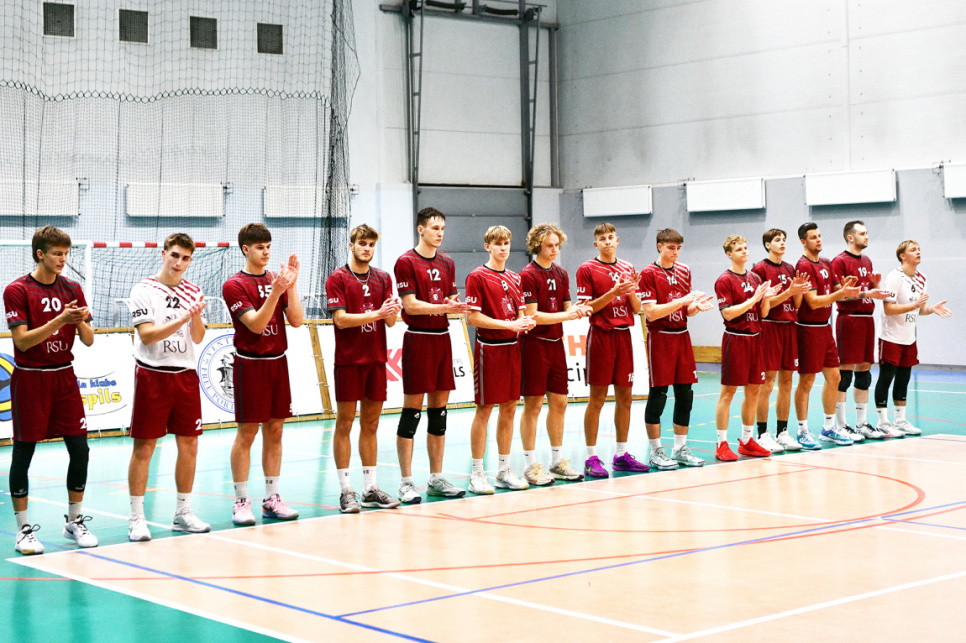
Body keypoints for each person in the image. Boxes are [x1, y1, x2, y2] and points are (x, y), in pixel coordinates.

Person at [4, 226, 96, 554]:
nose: (63, 259)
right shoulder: (17, 290)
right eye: (57, 253)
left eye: (66, 253)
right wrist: (60, 320)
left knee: (80, 449)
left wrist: (79, 320)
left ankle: (74, 521)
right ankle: (23, 531)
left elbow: (88, 340)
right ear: (40, 254)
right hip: (31, 379)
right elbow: (22, 342)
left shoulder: (72, 288)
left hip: (64, 377)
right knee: (23, 452)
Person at [126, 233, 211, 542]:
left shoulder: (194, 291)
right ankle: (137, 518)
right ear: (163, 254)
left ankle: (183, 512)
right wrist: (184, 317)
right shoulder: (144, 289)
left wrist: (195, 317)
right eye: (175, 255)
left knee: (190, 445)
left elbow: (198, 337)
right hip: (152, 374)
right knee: (145, 447)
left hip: (185, 374)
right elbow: (147, 335)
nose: (179, 262)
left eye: (185, 258)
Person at [222, 223, 304, 525]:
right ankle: (241, 501)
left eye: (268, 246)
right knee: (247, 433)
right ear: (246, 249)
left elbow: (296, 320)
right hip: (251, 363)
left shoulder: (275, 279)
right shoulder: (234, 285)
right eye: (260, 247)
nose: (266, 252)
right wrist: (277, 291)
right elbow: (256, 325)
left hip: (277, 361)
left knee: (276, 431)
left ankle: (272, 498)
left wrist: (291, 286)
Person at [394, 207, 470, 503]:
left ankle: (436, 478)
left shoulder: (447, 262)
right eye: (435, 228)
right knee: (411, 412)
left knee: (439, 413)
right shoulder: (406, 261)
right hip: (419, 339)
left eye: (442, 229)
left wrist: (456, 304)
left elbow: (449, 298)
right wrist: (444, 307)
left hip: (442, 338)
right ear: (421, 229)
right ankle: (405, 482)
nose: (440, 233)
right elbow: (411, 305)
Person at [326, 225, 403, 513]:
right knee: (345, 423)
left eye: (371, 244)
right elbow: (341, 320)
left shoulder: (383, 277)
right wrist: (378, 313)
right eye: (362, 243)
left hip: (376, 360)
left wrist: (392, 312)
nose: (367, 248)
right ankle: (346, 490)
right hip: (349, 361)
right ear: (351, 245)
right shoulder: (338, 278)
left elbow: (390, 322)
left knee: (371, 424)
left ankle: (370, 488)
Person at [465, 226, 536, 494]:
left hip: (512, 349)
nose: (503, 248)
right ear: (488, 246)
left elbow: (520, 313)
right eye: (497, 243)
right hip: (489, 349)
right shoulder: (477, 276)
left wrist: (525, 322)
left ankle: (504, 470)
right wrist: (508, 325)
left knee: (509, 409)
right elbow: (473, 317)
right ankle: (476, 474)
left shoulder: (516, 278)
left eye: (506, 243)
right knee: (484, 410)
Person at [519, 224, 592, 484]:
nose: (554, 249)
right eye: (549, 245)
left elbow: (566, 307)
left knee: (560, 403)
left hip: (556, 344)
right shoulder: (528, 274)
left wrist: (579, 310)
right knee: (533, 406)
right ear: (538, 245)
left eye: (557, 245)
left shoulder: (561, 273)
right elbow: (533, 315)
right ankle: (530, 465)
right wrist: (567, 315)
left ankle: (557, 461)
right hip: (534, 345)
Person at [638, 228, 714, 469]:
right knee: (658, 395)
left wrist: (695, 307)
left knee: (685, 394)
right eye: (671, 248)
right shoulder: (648, 273)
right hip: (660, 337)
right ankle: (655, 451)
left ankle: (680, 449)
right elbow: (651, 312)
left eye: (679, 248)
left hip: (682, 336)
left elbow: (685, 310)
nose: (676, 252)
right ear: (659, 246)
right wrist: (681, 301)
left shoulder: (684, 270)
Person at [576, 223, 646, 478]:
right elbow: (587, 308)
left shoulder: (627, 267)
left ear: (617, 240)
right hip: (601, 335)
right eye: (602, 238)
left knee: (625, 398)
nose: (607, 241)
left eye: (610, 237)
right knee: (597, 398)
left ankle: (621, 455)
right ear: (596, 243)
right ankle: (591, 457)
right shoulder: (587, 269)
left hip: (624, 336)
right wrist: (612, 292)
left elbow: (636, 309)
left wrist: (631, 291)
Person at [874, 240, 951, 436]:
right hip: (890, 336)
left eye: (919, 249)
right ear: (902, 256)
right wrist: (914, 306)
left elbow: (920, 309)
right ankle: (882, 422)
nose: (918, 252)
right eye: (913, 249)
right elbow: (888, 308)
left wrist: (931, 309)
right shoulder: (894, 277)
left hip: (909, 338)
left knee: (904, 379)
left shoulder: (922, 278)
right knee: (886, 378)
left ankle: (900, 420)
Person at [713, 235, 780, 461]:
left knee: (753, 391)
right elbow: (728, 313)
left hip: (756, 339)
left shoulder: (754, 278)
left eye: (745, 247)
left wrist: (766, 298)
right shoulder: (724, 280)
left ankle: (747, 440)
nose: (744, 251)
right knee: (728, 392)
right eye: (739, 249)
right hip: (736, 339)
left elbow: (763, 313)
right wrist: (753, 299)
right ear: (729, 254)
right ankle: (721, 443)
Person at [794, 222, 860, 449]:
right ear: (804, 242)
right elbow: (812, 302)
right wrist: (839, 294)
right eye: (813, 237)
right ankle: (802, 430)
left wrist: (847, 289)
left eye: (820, 236)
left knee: (835, 377)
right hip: (807, 329)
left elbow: (836, 292)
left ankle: (829, 428)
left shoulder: (826, 262)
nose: (819, 240)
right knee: (807, 381)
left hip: (825, 328)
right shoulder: (803, 265)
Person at [752, 229, 810, 452]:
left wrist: (798, 291)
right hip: (770, 327)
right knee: (767, 383)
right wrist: (788, 292)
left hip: (789, 326)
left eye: (784, 240)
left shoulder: (790, 268)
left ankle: (782, 432)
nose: (782, 243)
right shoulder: (760, 269)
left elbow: (796, 304)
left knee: (786, 382)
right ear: (767, 244)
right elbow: (762, 307)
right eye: (777, 240)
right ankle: (762, 433)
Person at [832, 221, 890, 440]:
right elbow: (840, 295)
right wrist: (867, 293)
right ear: (850, 237)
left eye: (867, 233)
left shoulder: (866, 260)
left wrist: (875, 286)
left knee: (864, 373)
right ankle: (840, 425)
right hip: (849, 319)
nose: (867, 237)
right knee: (844, 374)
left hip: (867, 319)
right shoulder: (839, 261)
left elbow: (869, 292)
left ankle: (861, 423)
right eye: (862, 233)